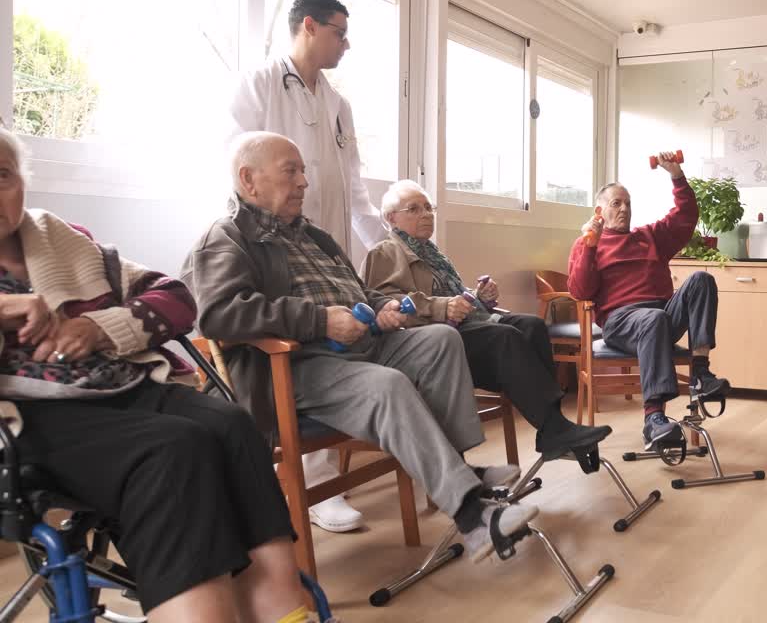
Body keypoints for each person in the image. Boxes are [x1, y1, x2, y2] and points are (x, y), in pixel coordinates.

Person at [0, 129, 313, 623]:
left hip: (124, 384)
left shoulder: (61, 238)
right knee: (173, 448)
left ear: (22, 181)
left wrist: (96, 327)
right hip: (31, 418)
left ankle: (280, 607)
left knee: (233, 424)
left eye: (2, 175)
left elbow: (176, 297)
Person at [181, 133, 537, 563]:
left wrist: (381, 308)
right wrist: (319, 319)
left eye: (303, 171)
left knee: (441, 339)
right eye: (290, 171)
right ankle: (473, 516)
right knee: (386, 385)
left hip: (359, 346)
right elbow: (218, 314)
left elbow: (357, 291)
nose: (303, 182)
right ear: (248, 179)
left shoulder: (313, 235)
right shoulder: (226, 236)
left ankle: (460, 470)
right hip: (294, 366)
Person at [228, 0, 385, 532]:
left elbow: (355, 184)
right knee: (298, 354)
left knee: (336, 351)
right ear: (309, 27)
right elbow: (235, 162)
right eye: (340, 32)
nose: (346, 42)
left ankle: (323, 480)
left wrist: (384, 244)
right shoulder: (260, 83)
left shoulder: (338, 104)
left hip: (325, 244)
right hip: (273, 243)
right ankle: (304, 484)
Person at [362, 180, 612, 458]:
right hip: (436, 339)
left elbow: (452, 297)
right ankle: (556, 430)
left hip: (467, 326)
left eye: (428, 207)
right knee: (506, 337)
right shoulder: (385, 252)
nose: (426, 214)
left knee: (533, 325)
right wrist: (442, 307)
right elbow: (386, 303)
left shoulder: (432, 253)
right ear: (390, 218)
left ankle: (553, 428)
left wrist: (479, 296)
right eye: (414, 209)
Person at [568, 152, 730, 451]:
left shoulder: (649, 236)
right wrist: (590, 244)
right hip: (621, 322)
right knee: (652, 319)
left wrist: (677, 176)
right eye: (616, 203)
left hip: (663, 315)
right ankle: (653, 418)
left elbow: (686, 218)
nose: (624, 208)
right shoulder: (588, 243)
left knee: (701, 280)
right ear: (599, 210)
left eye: (628, 203)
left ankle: (701, 373)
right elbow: (580, 290)